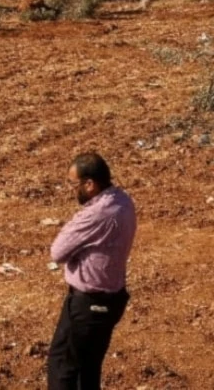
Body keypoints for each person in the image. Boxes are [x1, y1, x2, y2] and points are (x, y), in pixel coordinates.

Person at [47, 153, 137, 390]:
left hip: (88, 305)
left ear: (90, 184)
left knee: (64, 369)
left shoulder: (96, 214)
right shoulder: (123, 201)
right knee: (88, 369)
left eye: (73, 184)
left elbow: (58, 251)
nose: (71, 190)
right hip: (112, 299)